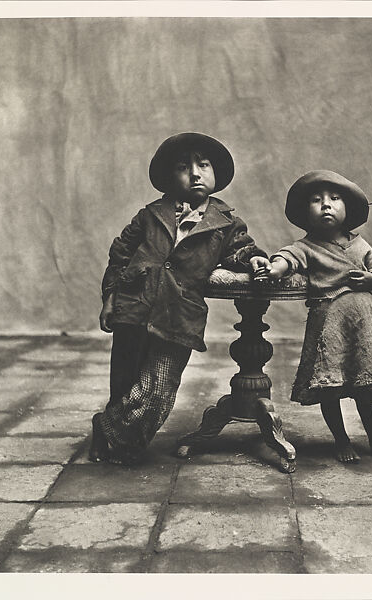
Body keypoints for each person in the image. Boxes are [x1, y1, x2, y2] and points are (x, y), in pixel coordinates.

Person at [90, 132, 266, 464]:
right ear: (170, 176)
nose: (195, 173)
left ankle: (106, 427)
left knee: (159, 387)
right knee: (125, 379)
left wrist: (255, 259)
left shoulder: (225, 222)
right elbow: (120, 255)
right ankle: (122, 444)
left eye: (203, 165)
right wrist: (110, 297)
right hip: (135, 304)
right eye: (184, 167)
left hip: (179, 312)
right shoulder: (151, 214)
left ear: (215, 174)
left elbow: (241, 250)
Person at [251, 170, 372, 465]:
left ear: (347, 210)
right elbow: (287, 257)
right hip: (329, 329)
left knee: (367, 388)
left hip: (366, 330)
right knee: (330, 388)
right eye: (316, 200)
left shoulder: (360, 245)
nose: (326, 205)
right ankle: (341, 440)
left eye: (334, 199)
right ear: (304, 212)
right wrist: (275, 269)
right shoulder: (306, 247)